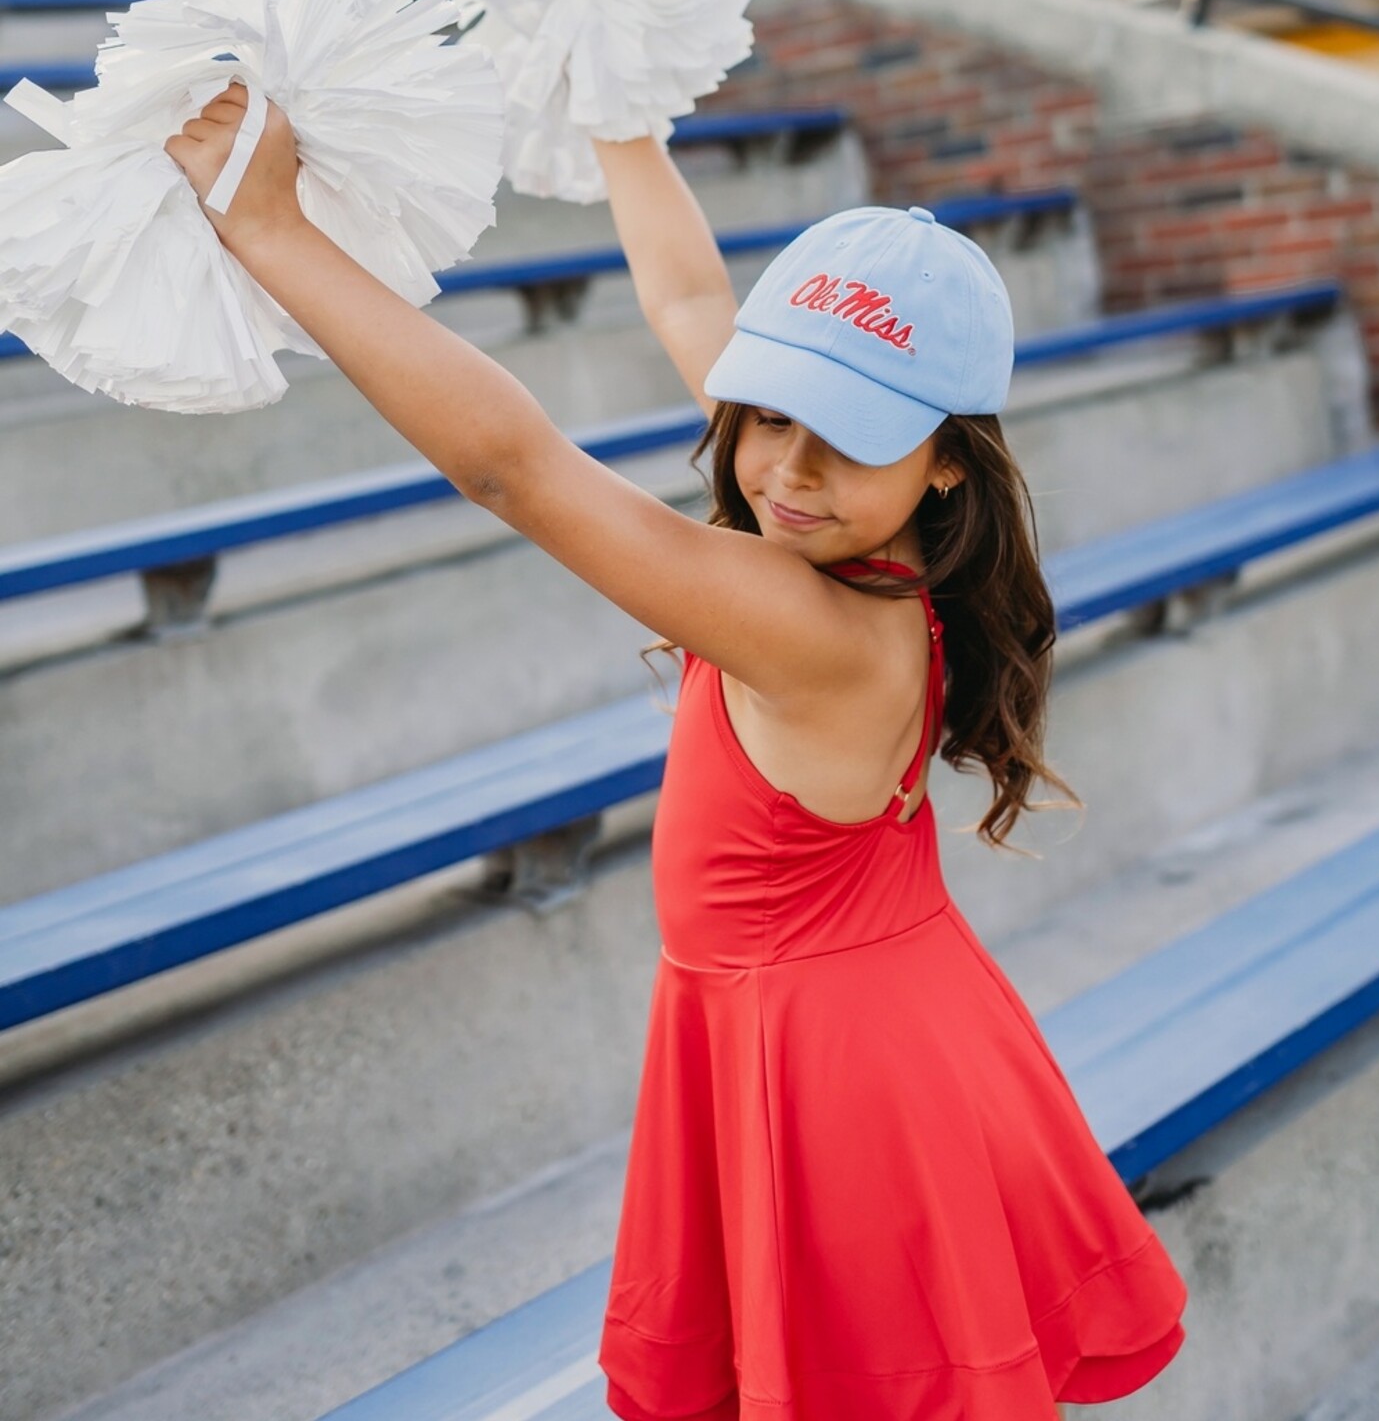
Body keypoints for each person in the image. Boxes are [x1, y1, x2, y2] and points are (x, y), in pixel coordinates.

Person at [167, 77, 1188, 1419]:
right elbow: (696, 303)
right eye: (768, 416)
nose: (785, 472)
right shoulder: (855, 565)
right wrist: (616, 112)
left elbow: (513, 471)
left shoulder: (806, 621)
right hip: (868, 1022)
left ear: (950, 462)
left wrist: (274, 233)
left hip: (838, 1076)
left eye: (848, 441)